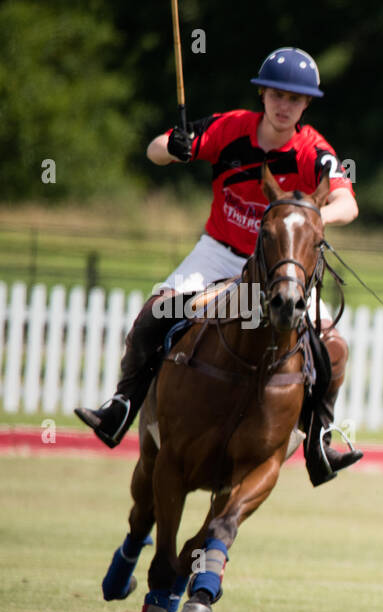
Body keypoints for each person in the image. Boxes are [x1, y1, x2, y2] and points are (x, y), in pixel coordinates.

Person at [75, 46, 363, 486]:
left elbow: (348, 201)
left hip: (279, 267)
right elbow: (155, 150)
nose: (285, 106)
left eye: (296, 99)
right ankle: (122, 405)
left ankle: (319, 437)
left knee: (334, 347)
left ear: (306, 105)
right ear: (263, 95)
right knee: (158, 312)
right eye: (278, 95)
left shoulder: (313, 151)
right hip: (219, 252)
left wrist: (311, 217)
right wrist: (172, 148)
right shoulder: (229, 128)